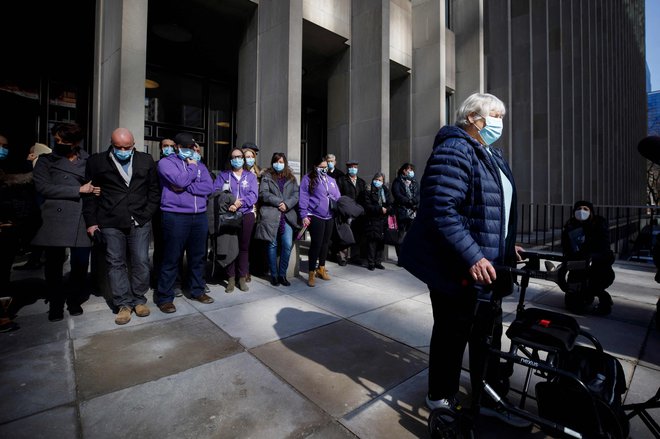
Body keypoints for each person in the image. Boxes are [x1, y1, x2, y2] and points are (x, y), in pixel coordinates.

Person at [400, 92, 528, 428]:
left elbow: (493, 211)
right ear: (472, 117)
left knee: (487, 336)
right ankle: (441, 396)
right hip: (459, 267)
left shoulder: (492, 155)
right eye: (493, 114)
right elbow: (442, 209)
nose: (498, 122)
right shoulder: (455, 148)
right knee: (452, 334)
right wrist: (472, 254)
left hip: (492, 267)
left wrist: (506, 245)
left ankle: (488, 395)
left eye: (501, 114)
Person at [83, 127, 161, 325]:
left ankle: (139, 300)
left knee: (141, 261)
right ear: (112, 144)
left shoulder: (146, 160)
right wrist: (91, 222)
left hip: (139, 220)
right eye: (119, 147)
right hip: (110, 220)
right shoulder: (97, 161)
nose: (123, 151)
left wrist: (146, 214)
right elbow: (90, 195)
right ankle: (123, 304)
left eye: (127, 147)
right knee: (115, 263)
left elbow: (154, 191)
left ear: (133, 145)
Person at [32, 123, 97, 322]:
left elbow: (96, 183)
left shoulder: (89, 160)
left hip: (81, 216)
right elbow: (43, 188)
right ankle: (56, 303)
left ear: (76, 142)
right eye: (57, 140)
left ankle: (74, 299)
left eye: (64, 141)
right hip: (55, 217)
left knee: (79, 264)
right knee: (53, 265)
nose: (59, 144)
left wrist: (96, 190)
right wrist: (78, 190)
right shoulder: (45, 160)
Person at [154, 133, 214, 312]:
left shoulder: (200, 165)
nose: (191, 151)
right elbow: (178, 180)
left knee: (198, 257)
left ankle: (197, 290)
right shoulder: (166, 163)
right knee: (171, 258)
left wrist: (186, 185)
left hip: (199, 216)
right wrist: (191, 170)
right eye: (187, 148)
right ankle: (165, 296)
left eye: (193, 148)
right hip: (175, 215)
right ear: (177, 147)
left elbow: (209, 187)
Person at [213, 147, 258, 293]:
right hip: (229, 215)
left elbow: (254, 195)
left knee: (244, 248)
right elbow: (216, 192)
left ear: (243, 159)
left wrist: (241, 202)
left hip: (246, 214)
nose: (237, 159)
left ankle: (242, 278)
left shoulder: (250, 176)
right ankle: (231, 278)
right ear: (230, 159)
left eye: (239, 156)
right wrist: (230, 202)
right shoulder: (224, 175)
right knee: (231, 246)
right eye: (234, 157)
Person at [560, 200, 615, 315]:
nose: (581, 211)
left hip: (597, 268)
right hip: (577, 268)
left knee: (594, 284)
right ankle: (585, 295)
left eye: (586, 209)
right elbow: (566, 250)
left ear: (591, 212)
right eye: (579, 209)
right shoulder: (570, 227)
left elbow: (606, 250)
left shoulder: (599, 225)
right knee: (573, 305)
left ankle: (603, 297)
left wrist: (591, 257)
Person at [254, 152, 299, 286]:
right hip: (271, 215)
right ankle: (273, 274)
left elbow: (296, 194)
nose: (278, 164)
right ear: (272, 162)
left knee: (286, 245)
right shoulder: (266, 176)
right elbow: (263, 194)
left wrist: (287, 204)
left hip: (287, 215)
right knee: (272, 245)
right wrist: (279, 202)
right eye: (276, 161)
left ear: (284, 163)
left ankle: (282, 274)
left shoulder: (291, 178)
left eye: (281, 162)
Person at [299, 157, 341, 287]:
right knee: (316, 244)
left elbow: (338, 196)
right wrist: (303, 214)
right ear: (315, 166)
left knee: (325, 243)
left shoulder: (331, 180)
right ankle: (311, 271)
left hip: (329, 216)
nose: (324, 169)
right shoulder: (308, 179)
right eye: (321, 167)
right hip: (315, 214)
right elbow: (303, 197)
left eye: (326, 166)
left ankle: (321, 268)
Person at [14, 143, 52, 271]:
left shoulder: (43, 166)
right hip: (35, 206)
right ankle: (36, 259)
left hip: (39, 206)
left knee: (39, 235)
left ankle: (36, 260)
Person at [335, 160, 367, 266]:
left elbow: (364, 197)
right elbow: (338, 196)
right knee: (345, 235)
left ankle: (355, 256)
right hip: (345, 212)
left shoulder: (361, 182)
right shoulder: (341, 180)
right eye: (351, 167)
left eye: (355, 167)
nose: (353, 169)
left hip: (358, 212)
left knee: (356, 235)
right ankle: (343, 257)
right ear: (347, 168)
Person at [362, 172, 394, 271]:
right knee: (372, 241)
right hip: (373, 219)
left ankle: (378, 262)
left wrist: (387, 210)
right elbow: (367, 205)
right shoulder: (368, 189)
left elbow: (390, 204)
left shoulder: (385, 190)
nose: (378, 182)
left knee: (381, 241)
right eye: (376, 179)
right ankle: (371, 262)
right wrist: (380, 209)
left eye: (380, 180)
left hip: (383, 220)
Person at [391, 162, 419, 263]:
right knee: (401, 236)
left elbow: (418, 195)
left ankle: (409, 257)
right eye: (409, 170)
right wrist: (408, 201)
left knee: (412, 236)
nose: (411, 172)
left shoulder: (415, 182)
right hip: (402, 212)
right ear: (404, 170)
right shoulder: (398, 181)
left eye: (412, 170)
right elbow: (397, 195)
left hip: (413, 212)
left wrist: (414, 202)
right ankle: (401, 258)